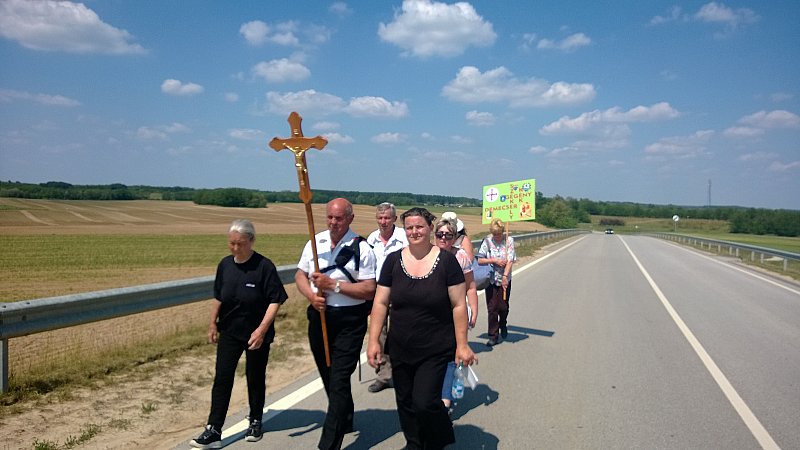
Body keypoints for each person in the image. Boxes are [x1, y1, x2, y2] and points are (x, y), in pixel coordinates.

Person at [367, 207, 476, 449]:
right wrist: (373, 340)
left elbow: (459, 305)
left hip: (436, 347)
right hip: (400, 345)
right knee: (405, 401)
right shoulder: (393, 261)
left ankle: (438, 439)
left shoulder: (447, 262)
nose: (414, 231)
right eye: (409, 227)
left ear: (429, 228)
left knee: (425, 402)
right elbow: (381, 302)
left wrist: (462, 345)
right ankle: (415, 443)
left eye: (419, 227)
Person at [190, 219, 288, 449]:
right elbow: (218, 296)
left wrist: (262, 330)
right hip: (230, 331)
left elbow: (276, 300)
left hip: (256, 333)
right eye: (232, 243)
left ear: (251, 241)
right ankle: (213, 428)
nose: (235, 248)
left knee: (255, 377)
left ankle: (255, 420)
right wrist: (212, 323)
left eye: (240, 243)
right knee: (222, 378)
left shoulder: (264, 266)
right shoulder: (225, 265)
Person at [295, 198, 377, 450]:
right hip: (319, 317)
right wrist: (311, 296)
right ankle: (345, 415)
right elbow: (300, 274)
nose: (333, 222)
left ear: (350, 218)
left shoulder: (362, 248)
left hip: (349, 321)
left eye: (339, 218)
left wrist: (334, 286)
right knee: (329, 376)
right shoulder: (315, 242)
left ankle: (328, 444)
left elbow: (369, 289)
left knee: (340, 379)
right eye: (330, 217)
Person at [433, 218, 479, 413]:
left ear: (454, 238)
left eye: (448, 235)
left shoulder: (461, 257)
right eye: (439, 234)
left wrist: (474, 310)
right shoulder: (428, 255)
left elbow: (470, 286)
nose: (443, 238)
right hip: (432, 315)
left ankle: (446, 398)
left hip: (455, 313)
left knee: (453, 355)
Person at [365, 202, 408, 393]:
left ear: (394, 219)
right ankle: (383, 375)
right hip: (378, 293)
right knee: (378, 334)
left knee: (400, 333)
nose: (383, 222)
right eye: (380, 218)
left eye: (387, 218)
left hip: (401, 290)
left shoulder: (404, 238)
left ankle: (403, 373)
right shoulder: (371, 239)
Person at [477, 218, 516, 347]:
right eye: (495, 234)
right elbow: (480, 260)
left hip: (505, 278)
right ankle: (493, 335)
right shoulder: (487, 241)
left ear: (503, 232)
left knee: (503, 306)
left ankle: (503, 323)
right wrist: (494, 260)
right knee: (492, 308)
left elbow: (510, 260)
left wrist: (505, 275)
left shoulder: (509, 241)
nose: (497, 237)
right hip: (491, 279)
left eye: (499, 234)